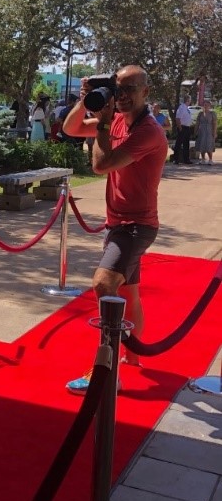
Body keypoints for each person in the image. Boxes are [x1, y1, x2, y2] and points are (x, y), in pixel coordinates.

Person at [62, 65, 168, 391]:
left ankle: (105, 371)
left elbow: (100, 165)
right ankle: (133, 357)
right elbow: (71, 128)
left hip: (136, 226)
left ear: (145, 93)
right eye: (117, 88)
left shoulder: (148, 131)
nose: (121, 96)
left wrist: (105, 123)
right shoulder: (117, 120)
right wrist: (86, 100)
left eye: (129, 89)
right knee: (129, 291)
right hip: (117, 222)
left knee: (104, 284)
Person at [194, 99, 217, 165]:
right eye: (204, 105)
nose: (205, 106)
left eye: (207, 105)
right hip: (201, 131)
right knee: (202, 144)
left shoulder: (212, 114)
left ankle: (210, 159)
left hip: (209, 130)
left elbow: (214, 124)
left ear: (210, 106)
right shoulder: (200, 114)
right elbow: (197, 123)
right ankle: (203, 159)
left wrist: (214, 132)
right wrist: (195, 131)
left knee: (209, 144)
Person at [174, 95, 193, 165]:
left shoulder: (186, 108)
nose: (190, 101)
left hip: (187, 127)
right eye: (189, 99)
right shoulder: (181, 107)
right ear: (187, 100)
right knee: (178, 144)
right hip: (182, 127)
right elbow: (177, 118)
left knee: (186, 144)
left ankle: (186, 159)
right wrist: (180, 128)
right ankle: (176, 159)